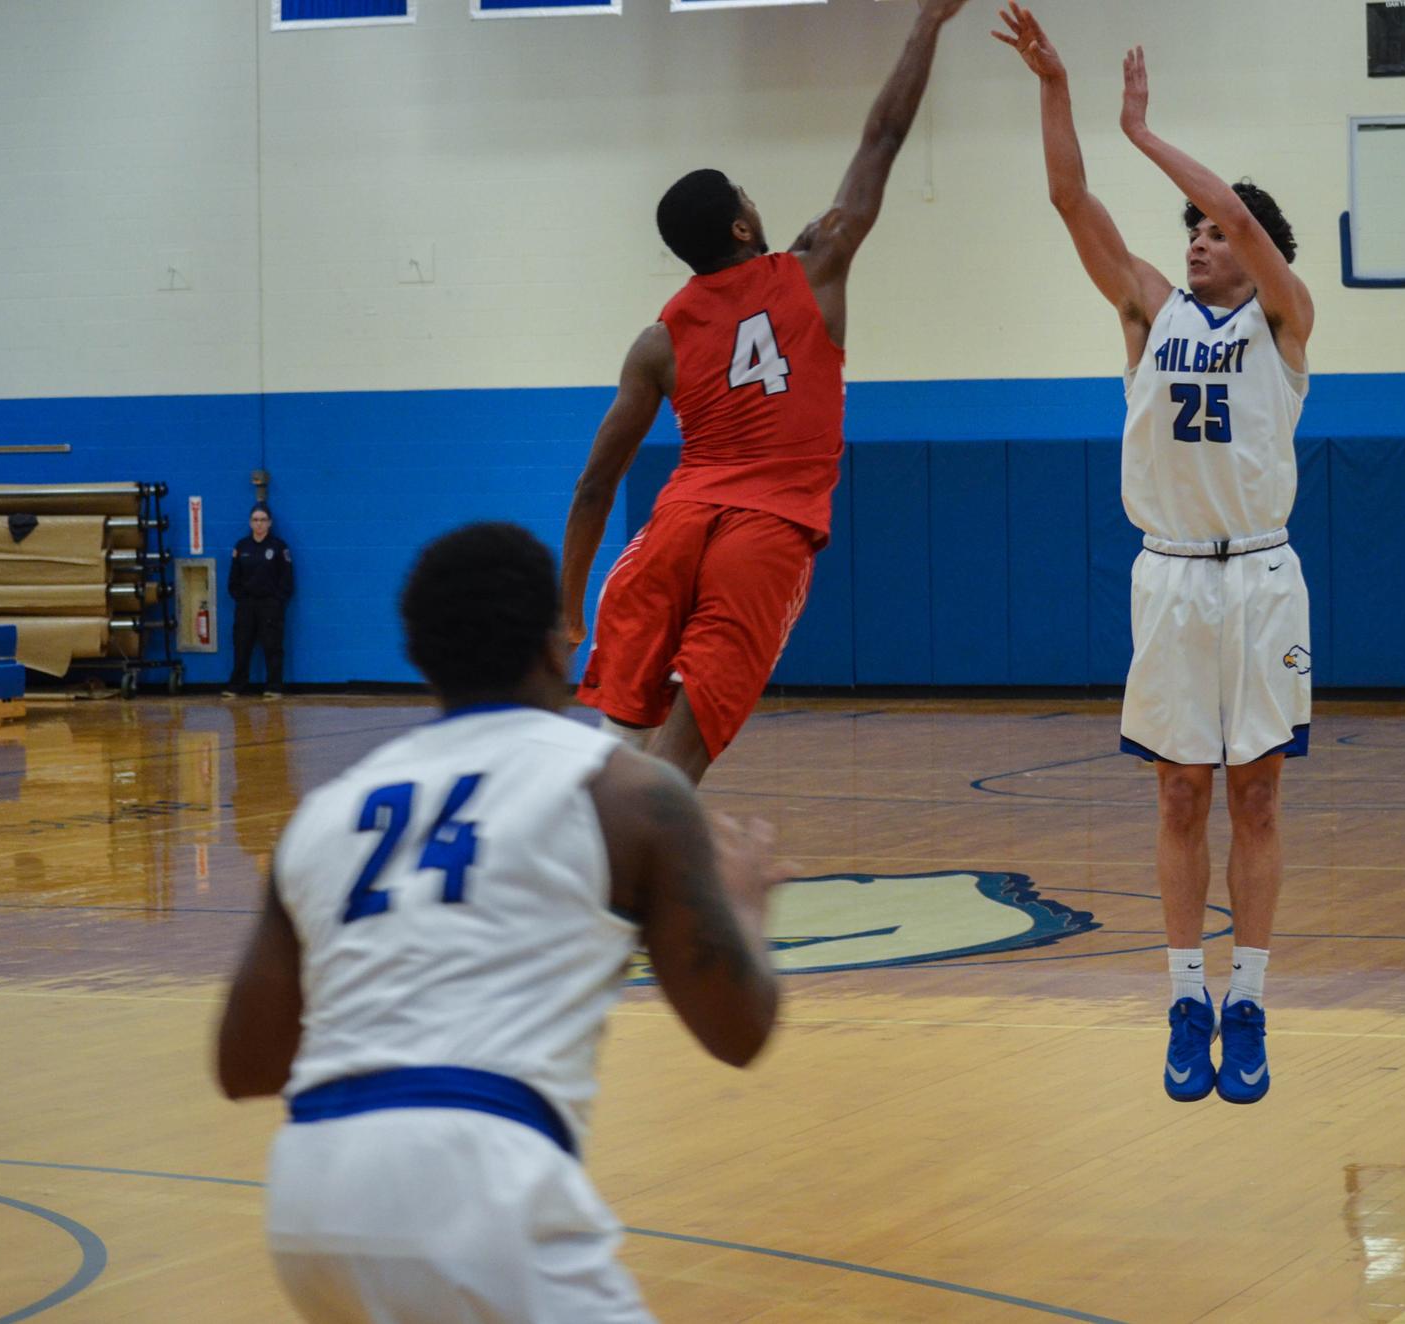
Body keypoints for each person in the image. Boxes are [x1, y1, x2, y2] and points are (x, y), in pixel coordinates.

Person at [215, 521, 785, 1323]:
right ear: (557, 648)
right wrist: (746, 906)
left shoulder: (327, 812)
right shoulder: (633, 794)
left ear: (420, 656)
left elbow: (244, 1067)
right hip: (480, 1177)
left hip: (310, 1194)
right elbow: (740, 1030)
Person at [995, 5, 1315, 1105]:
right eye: (1188, 229)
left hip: (1261, 573)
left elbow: (1230, 198)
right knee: (1181, 793)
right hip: (1171, 572)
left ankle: (1253, 1000)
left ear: (1256, 250)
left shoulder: (1283, 320)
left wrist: (1143, 130)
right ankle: (1187, 998)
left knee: (1257, 798)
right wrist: (1054, 89)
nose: (1196, 237)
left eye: (1213, 231)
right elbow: (1065, 203)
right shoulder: (1148, 306)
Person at [560, 0, 972, 785]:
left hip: (674, 527)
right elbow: (881, 140)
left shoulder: (657, 341)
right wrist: (927, 23)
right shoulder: (814, 266)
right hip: (767, 529)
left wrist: (568, 608)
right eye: (746, 195)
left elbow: (594, 486)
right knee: (677, 768)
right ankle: (636, 890)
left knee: (616, 749)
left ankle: (571, 877)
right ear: (743, 227)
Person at [224, 503, 292, 700]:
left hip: (270, 605)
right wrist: (241, 599)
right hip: (246, 605)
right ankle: (236, 686)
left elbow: (287, 579)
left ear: (269, 523)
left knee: (273, 646)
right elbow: (233, 580)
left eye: (263, 520)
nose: (259, 524)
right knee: (241, 645)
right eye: (255, 520)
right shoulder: (241, 546)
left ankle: (274, 687)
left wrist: (277, 601)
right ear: (250, 522)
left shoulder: (279, 547)